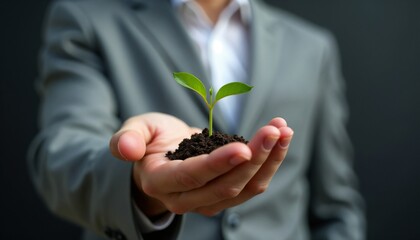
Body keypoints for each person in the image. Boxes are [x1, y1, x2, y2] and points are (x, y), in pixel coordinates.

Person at [27, 0, 365, 239]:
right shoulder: (87, 17)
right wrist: (138, 184)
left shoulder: (310, 46)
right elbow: (62, 157)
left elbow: (335, 203)